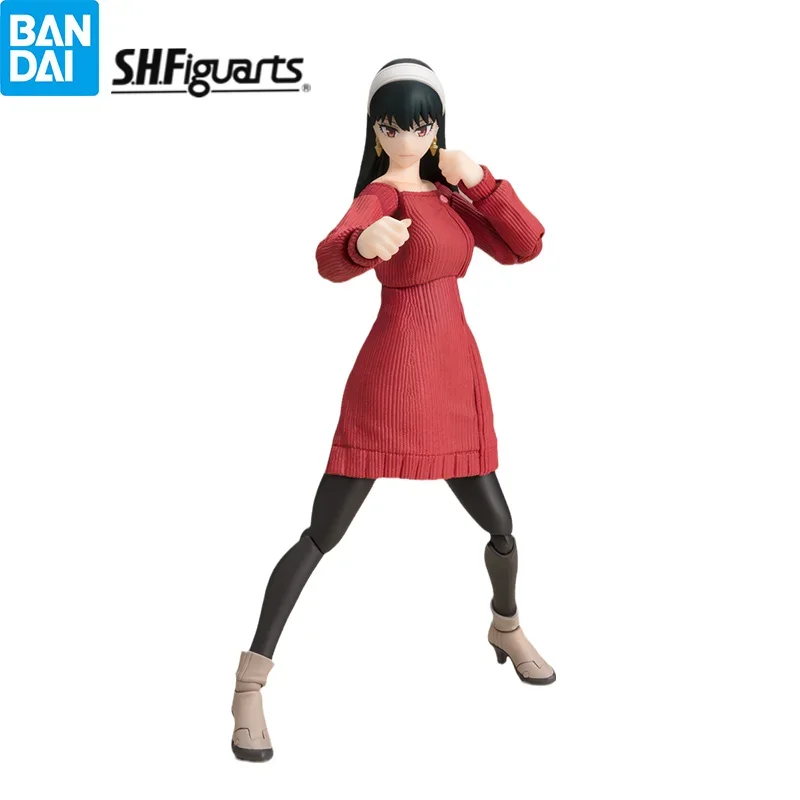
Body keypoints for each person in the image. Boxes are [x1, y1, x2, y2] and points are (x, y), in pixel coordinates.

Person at [230, 57, 555, 763]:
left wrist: (481, 182)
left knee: (500, 525)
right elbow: (328, 257)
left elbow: (526, 244)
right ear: (376, 132)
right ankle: (250, 680)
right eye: (394, 125)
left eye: (422, 123)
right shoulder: (381, 196)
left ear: (438, 127)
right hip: (391, 379)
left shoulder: (451, 195)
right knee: (322, 533)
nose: (409, 136)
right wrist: (360, 243)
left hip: (454, 379)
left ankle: (505, 624)